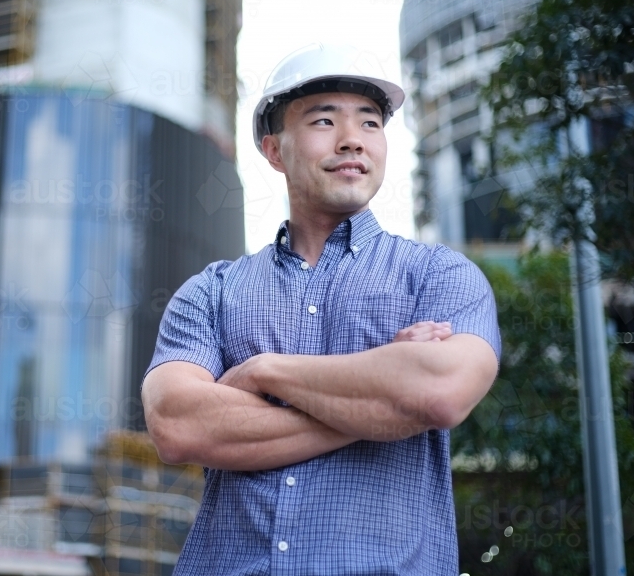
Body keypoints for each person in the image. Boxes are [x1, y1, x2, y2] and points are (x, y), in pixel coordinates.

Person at [141, 43, 501, 574]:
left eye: (371, 123)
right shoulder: (212, 292)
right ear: (275, 150)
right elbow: (177, 424)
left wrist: (265, 371)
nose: (352, 139)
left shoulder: (439, 276)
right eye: (324, 119)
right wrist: (384, 398)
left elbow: (439, 393)